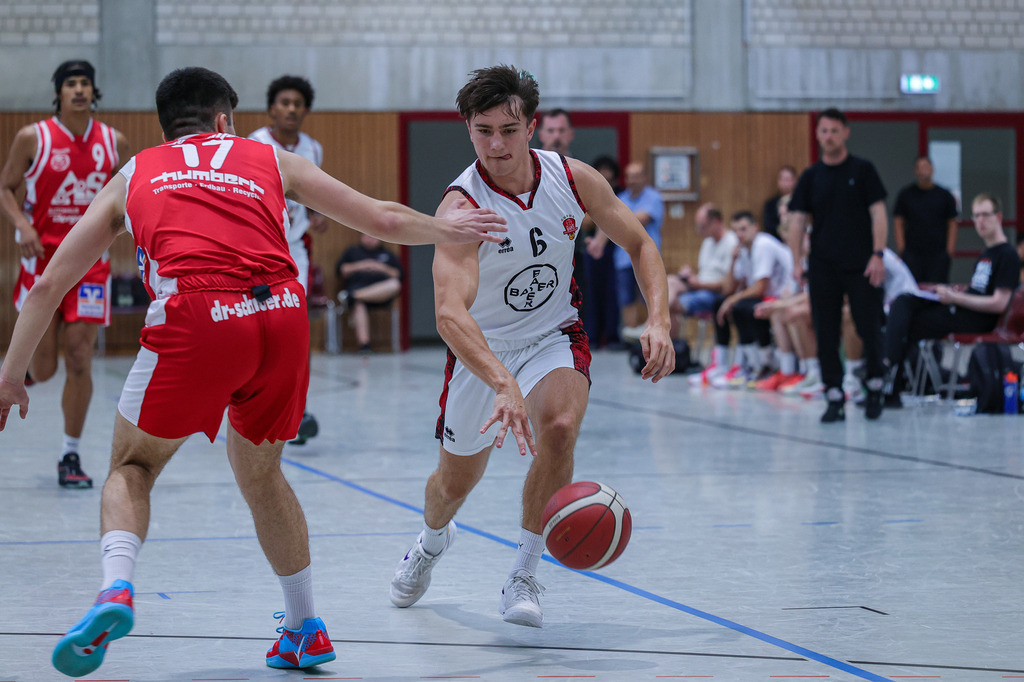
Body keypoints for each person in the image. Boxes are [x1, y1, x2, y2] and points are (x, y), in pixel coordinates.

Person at [0, 66, 506, 678]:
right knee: (263, 473)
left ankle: (115, 588)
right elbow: (383, 219)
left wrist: (10, 376)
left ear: (169, 127)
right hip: (283, 314)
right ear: (223, 122)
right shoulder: (266, 158)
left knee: (134, 465)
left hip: (201, 313)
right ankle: (305, 626)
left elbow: (50, 283)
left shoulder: (135, 173)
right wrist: (449, 229)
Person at [388, 65, 674, 629]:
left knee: (561, 426)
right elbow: (449, 315)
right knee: (452, 485)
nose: (496, 144)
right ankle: (429, 542)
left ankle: (523, 571)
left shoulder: (574, 178)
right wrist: (502, 382)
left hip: (553, 334)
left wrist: (659, 319)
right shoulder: (461, 210)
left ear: (533, 127)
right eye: (483, 130)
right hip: (482, 350)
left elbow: (641, 243)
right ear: (468, 130)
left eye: (509, 130)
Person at [0, 60, 130, 488]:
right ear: (58, 93)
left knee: (79, 356)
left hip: (92, 264)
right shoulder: (31, 137)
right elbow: (5, 187)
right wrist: (22, 224)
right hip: (43, 262)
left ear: (94, 93)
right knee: (47, 366)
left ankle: (69, 455)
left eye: (85, 83)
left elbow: (132, 196)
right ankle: (15, 378)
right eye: (70, 83)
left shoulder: (115, 142)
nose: (79, 90)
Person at [788, 107, 889, 423]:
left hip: (861, 264)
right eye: (823, 131)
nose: (828, 136)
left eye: (834, 130)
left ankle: (874, 384)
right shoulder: (810, 177)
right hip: (823, 265)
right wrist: (795, 261)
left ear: (845, 132)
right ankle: (833, 393)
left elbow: (879, 214)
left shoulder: (863, 170)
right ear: (817, 135)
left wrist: (878, 254)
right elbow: (797, 220)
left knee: (868, 327)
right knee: (826, 331)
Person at [248, 75, 326, 445]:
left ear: (306, 110)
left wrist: (318, 214)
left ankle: (298, 409)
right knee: (256, 331)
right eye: (285, 102)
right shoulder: (252, 146)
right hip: (256, 252)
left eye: (298, 103)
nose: (291, 109)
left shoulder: (313, 148)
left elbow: (314, 197)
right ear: (271, 109)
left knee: (296, 330)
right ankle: (250, 405)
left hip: (294, 253)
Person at [883, 193, 1020, 401]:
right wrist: (954, 292)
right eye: (976, 216)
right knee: (905, 302)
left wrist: (956, 298)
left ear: (998, 217)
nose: (980, 221)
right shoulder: (986, 255)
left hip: (977, 319)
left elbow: (999, 303)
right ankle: (890, 377)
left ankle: (886, 372)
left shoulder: (1007, 254)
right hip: (962, 309)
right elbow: (978, 290)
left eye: (985, 215)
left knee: (906, 319)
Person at [711, 211, 794, 388]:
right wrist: (733, 261)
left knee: (743, 307)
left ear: (755, 227)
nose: (740, 234)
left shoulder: (763, 244)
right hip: (767, 297)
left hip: (784, 296)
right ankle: (728, 364)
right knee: (720, 301)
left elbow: (759, 288)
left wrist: (732, 300)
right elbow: (729, 288)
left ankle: (764, 364)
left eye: (743, 229)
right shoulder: (742, 250)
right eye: (736, 231)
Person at [669, 203, 738, 369]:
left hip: (713, 293)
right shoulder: (707, 242)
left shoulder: (731, 243)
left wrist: (699, 283)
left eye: (703, 227)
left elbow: (727, 284)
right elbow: (704, 273)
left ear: (716, 222)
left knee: (668, 305)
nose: (700, 232)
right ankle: (669, 349)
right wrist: (690, 275)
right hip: (699, 286)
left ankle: (660, 339)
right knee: (670, 281)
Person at [892, 156, 959, 285]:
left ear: (932, 169)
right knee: (912, 290)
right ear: (915, 171)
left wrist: (949, 250)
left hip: (938, 255)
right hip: (912, 254)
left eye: (926, 167)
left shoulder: (944, 195)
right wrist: (902, 250)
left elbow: (952, 223)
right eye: (919, 168)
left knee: (937, 293)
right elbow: (898, 222)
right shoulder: (906, 195)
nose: (923, 171)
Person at [335, 232, 403, 352]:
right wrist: (362, 266)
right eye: (366, 235)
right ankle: (364, 345)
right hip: (358, 288)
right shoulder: (353, 252)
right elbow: (341, 270)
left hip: (381, 295)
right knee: (359, 304)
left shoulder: (387, 254)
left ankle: (351, 297)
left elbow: (398, 275)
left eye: (373, 236)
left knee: (395, 285)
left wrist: (381, 267)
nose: (369, 239)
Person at [581, 155, 622, 348]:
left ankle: (612, 336)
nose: (605, 173)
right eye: (601, 169)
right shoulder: (590, 193)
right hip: (591, 247)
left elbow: (621, 219)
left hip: (615, 248)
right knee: (591, 292)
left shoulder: (621, 194)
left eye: (608, 169)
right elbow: (586, 221)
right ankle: (594, 336)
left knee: (612, 292)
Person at [761, 165, 797, 239]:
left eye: (787, 179)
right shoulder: (770, 204)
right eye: (782, 179)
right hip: (777, 241)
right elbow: (769, 226)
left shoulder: (801, 202)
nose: (784, 183)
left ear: (795, 181)